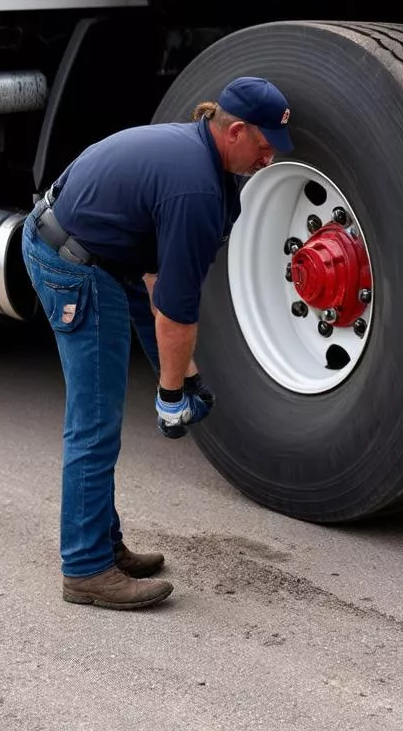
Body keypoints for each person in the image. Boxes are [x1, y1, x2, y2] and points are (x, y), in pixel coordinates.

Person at [22, 76, 293, 610]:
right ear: (235, 131)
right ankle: (84, 569)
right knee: (95, 423)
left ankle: (101, 543)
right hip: (74, 266)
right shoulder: (194, 186)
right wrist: (171, 398)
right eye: (264, 147)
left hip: (99, 252)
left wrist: (186, 375)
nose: (269, 161)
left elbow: (154, 276)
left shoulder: (204, 163)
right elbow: (174, 308)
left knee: (107, 412)